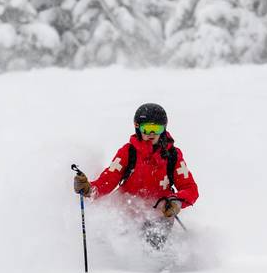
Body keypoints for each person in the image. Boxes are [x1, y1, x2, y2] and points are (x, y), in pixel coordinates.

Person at [73, 103, 199, 247]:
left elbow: (190, 188)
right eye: (147, 128)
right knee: (121, 247)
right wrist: (89, 189)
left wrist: (177, 201)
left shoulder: (173, 156)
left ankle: (166, 264)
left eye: (157, 129)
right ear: (137, 127)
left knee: (155, 250)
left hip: (159, 215)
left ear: (164, 129)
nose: (151, 134)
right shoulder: (128, 152)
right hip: (127, 214)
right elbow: (108, 180)